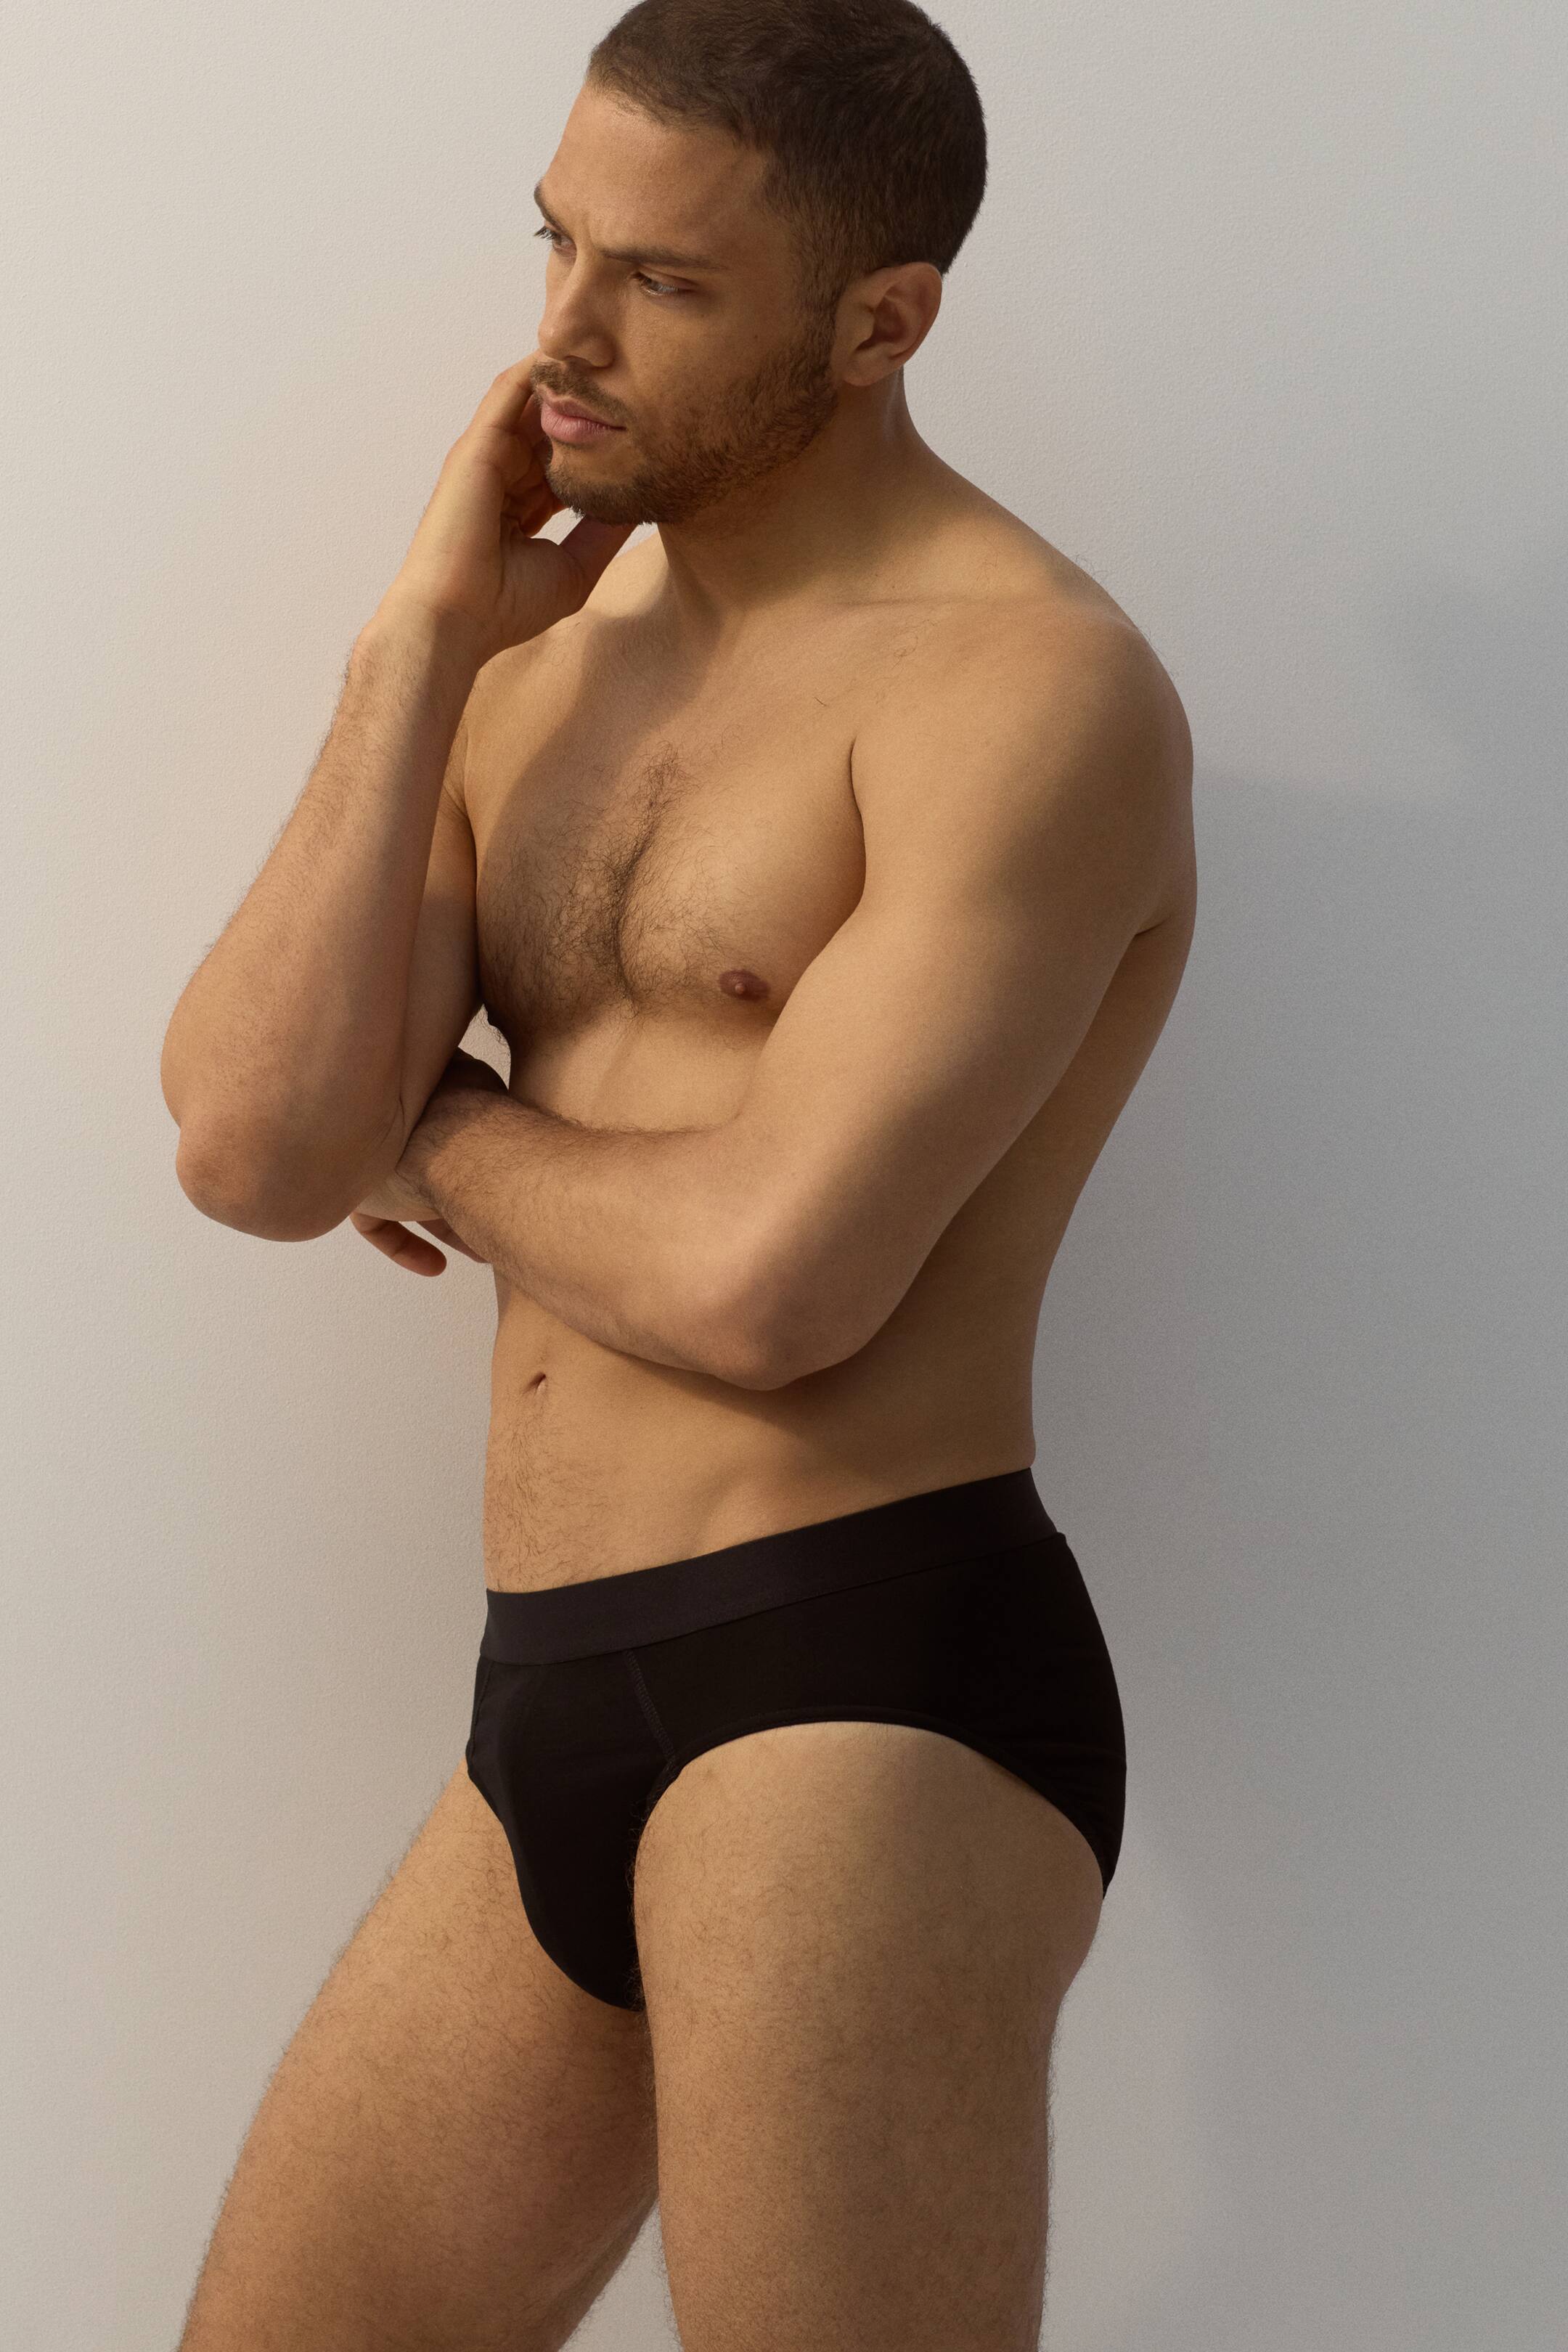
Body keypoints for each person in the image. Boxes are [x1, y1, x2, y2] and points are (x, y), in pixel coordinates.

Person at [160, 2, 1195, 2345]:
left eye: (665, 280)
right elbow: (248, 1141)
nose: (566, 332)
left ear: (880, 323)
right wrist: (422, 641)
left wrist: (431, 1123)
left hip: (859, 1676)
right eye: (557, 242)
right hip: (545, 1682)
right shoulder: (534, 661)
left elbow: (769, 1286)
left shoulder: (1025, 691)